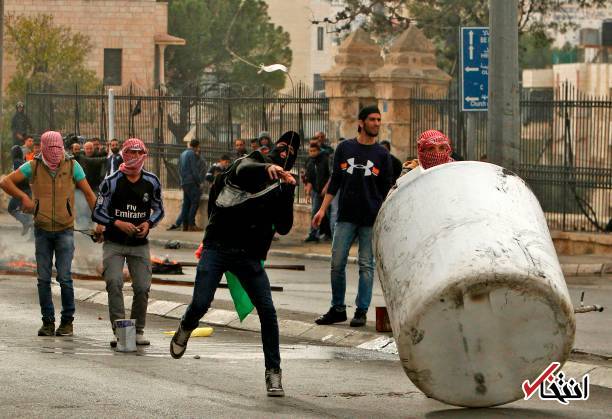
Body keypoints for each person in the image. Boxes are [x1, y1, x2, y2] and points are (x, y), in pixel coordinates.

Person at [169, 131, 301, 398]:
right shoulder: (250, 163)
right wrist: (269, 167)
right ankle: (186, 325)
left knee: (268, 312)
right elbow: (245, 168)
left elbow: (285, 227)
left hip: (248, 256)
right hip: (217, 247)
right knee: (201, 302)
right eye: (281, 148)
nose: (284, 154)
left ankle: (273, 372)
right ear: (270, 150)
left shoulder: (282, 184)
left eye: (290, 154)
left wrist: (288, 191)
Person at [0, 131, 98, 336]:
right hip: (42, 230)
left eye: (57, 148)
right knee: (43, 279)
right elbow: (5, 182)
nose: (54, 153)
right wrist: (23, 198)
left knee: (64, 278)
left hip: (65, 230)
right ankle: (47, 322)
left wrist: (99, 222)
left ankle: (67, 322)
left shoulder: (72, 166)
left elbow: (89, 194)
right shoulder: (33, 166)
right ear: (43, 148)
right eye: (50, 149)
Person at [312, 106, 393, 327]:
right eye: (372, 119)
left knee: (366, 266)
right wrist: (322, 210)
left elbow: (387, 191)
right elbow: (335, 181)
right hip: (346, 216)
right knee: (337, 263)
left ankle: (361, 310)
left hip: (370, 218)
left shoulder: (382, 155)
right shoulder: (344, 149)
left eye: (379, 120)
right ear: (361, 122)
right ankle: (337, 308)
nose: (377, 123)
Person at [93, 138, 165, 347]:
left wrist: (148, 223)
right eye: (130, 153)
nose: (133, 157)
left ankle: (138, 330)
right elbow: (98, 212)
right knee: (114, 282)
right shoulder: (111, 181)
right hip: (114, 242)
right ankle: (121, 331)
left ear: (144, 155)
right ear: (123, 154)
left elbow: (159, 209)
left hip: (139, 245)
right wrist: (116, 223)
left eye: (138, 153)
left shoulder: (151, 181)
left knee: (142, 287)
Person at [167, 139, 205, 232]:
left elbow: (179, 169)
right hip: (191, 182)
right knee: (195, 202)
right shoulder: (191, 154)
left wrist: (182, 181)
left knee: (186, 204)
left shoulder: (183, 154)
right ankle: (191, 225)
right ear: (196, 146)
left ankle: (185, 226)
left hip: (184, 182)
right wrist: (199, 182)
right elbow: (194, 170)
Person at [303, 140, 330, 242]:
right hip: (316, 191)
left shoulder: (325, 159)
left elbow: (330, 175)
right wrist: (308, 193)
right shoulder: (310, 162)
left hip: (327, 191)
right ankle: (313, 234)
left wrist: (326, 188)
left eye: (314, 151)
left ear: (318, 151)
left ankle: (329, 233)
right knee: (315, 212)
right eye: (310, 151)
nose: (312, 153)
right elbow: (309, 179)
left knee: (329, 214)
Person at [8, 141, 33, 235]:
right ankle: (31, 234)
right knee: (28, 211)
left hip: (20, 190)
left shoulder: (16, 162)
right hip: (27, 189)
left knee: (11, 209)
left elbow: (18, 177)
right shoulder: (23, 161)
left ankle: (26, 222)